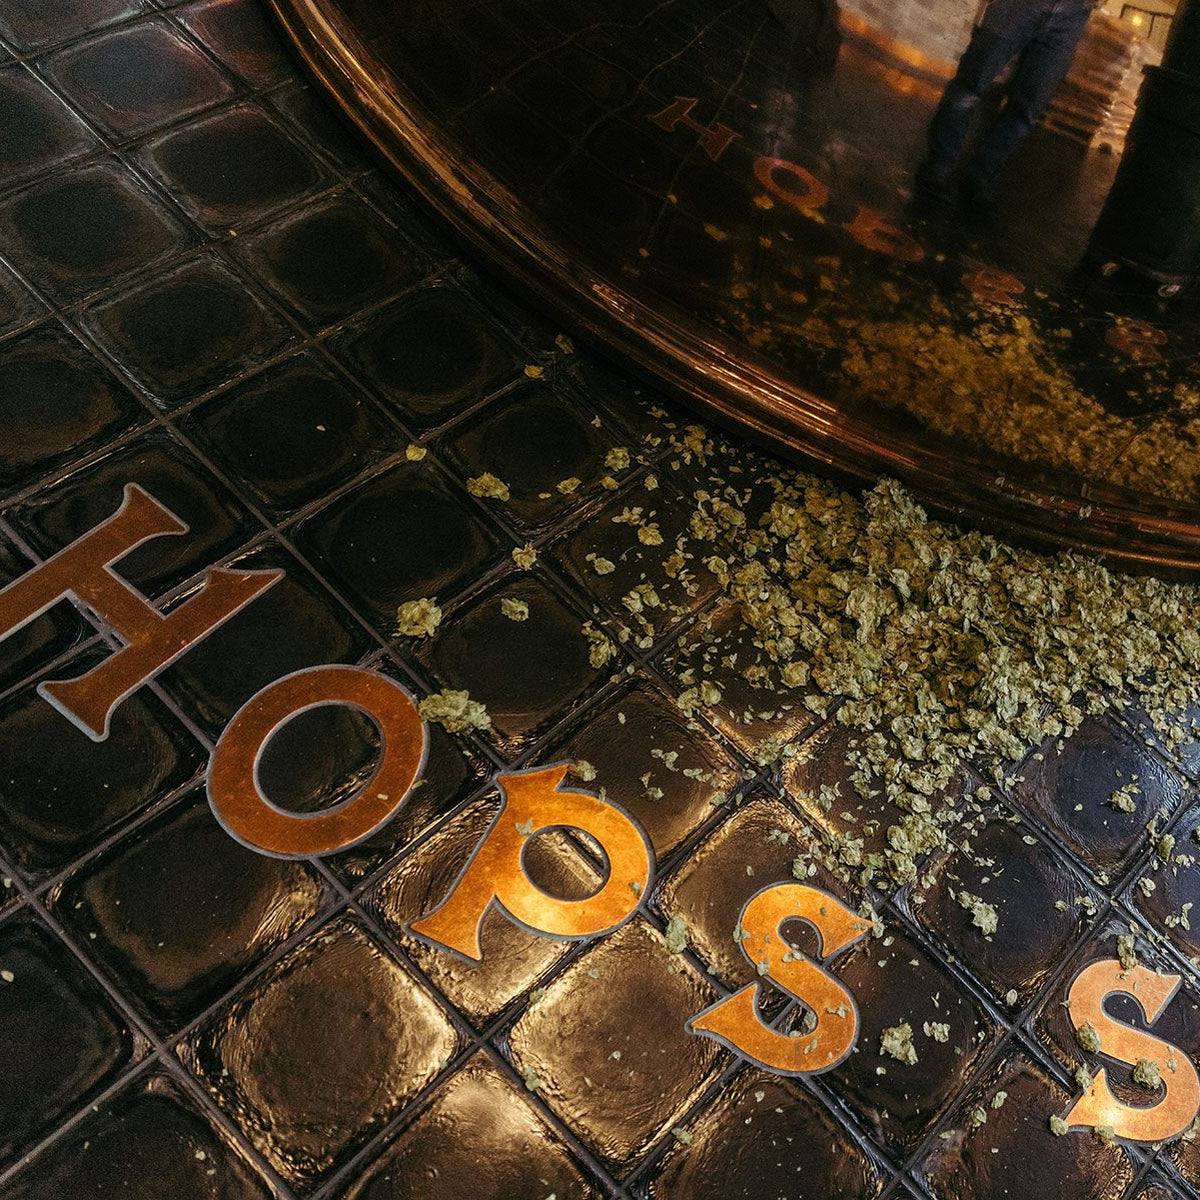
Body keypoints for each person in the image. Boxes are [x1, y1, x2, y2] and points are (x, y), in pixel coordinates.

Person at [916, 0, 1099, 209]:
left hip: (1073, 14)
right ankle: (939, 165)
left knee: (1027, 108)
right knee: (972, 83)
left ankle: (979, 178)